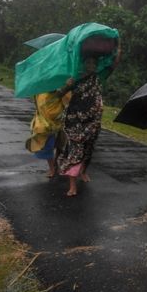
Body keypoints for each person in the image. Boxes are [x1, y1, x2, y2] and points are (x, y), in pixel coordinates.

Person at [56, 57, 105, 196]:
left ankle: (83, 171)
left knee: (88, 149)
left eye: (93, 63)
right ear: (82, 65)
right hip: (75, 120)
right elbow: (59, 94)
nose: (90, 66)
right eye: (88, 62)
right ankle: (72, 186)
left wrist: (118, 48)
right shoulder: (75, 78)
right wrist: (66, 85)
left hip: (93, 121)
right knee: (75, 151)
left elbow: (114, 63)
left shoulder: (99, 78)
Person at [26, 86, 72, 178]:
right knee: (48, 146)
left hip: (60, 123)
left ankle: (56, 165)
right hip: (45, 125)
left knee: (61, 145)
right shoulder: (41, 93)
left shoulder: (61, 92)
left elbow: (65, 100)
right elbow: (42, 106)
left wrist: (67, 87)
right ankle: (52, 168)